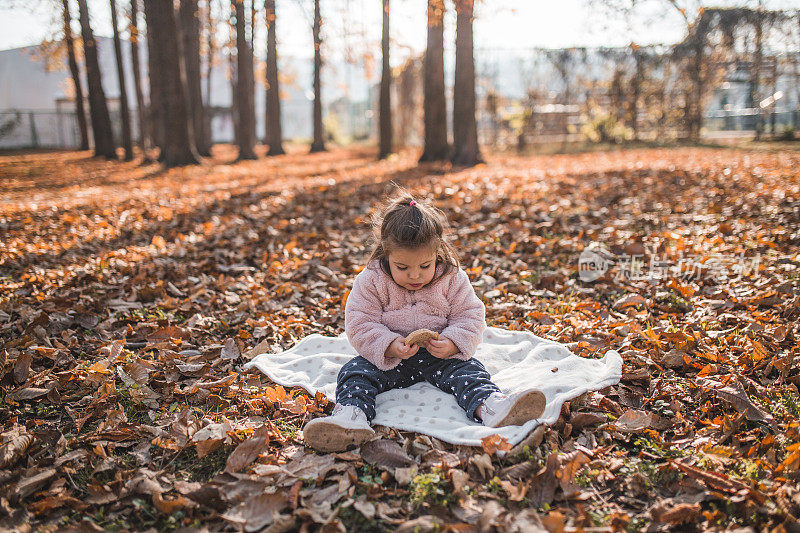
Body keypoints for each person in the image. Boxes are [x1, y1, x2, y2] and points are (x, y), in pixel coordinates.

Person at [303, 189, 545, 452]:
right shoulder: (372, 280)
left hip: (439, 356)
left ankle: (491, 406)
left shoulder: (451, 277)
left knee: (470, 371)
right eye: (403, 268)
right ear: (386, 255)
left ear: (437, 253)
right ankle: (351, 418)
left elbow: (470, 314)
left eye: (425, 266)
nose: (415, 276)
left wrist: (453, 343)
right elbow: (360, 321)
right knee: (354, 373)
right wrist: (387, 344)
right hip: (391, 360)